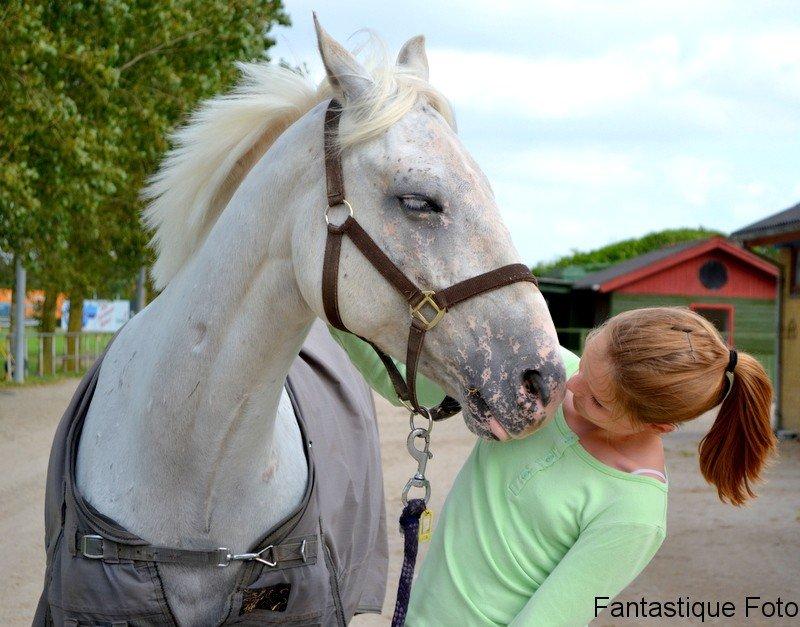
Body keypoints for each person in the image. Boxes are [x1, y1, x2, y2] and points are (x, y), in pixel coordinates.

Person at [329, 306, 777, 625]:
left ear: (658, 426)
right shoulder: (550, 375)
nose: (572, 386)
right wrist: (334, 313)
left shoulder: (633, 513)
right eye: (585, 359)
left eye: (597, 401)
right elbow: (418, 389)